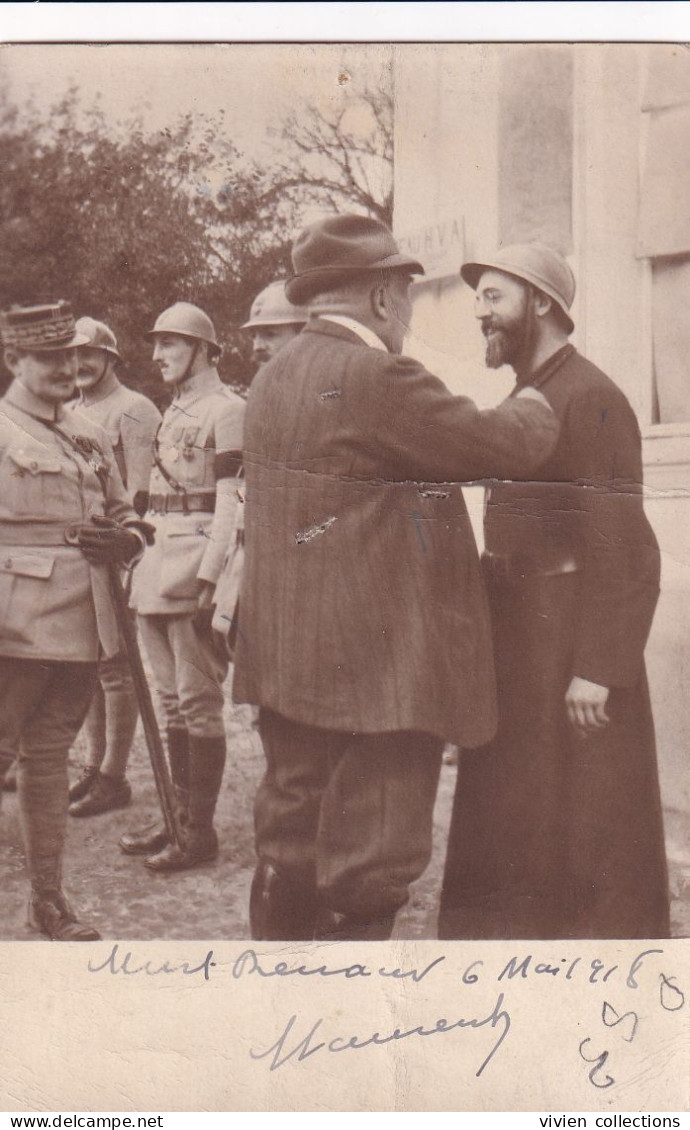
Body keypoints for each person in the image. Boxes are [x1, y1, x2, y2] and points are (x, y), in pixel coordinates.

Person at [232, 213, 560, 942]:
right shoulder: (375, 374)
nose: (409, 313)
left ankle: (276, 1011)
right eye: (408, 295)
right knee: (370, 859)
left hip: (291, 654)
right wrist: (540, 400)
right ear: (383, 298)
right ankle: (344, 1036)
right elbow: (495, 443)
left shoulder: (274, 375)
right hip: (378, 670)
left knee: (291, 834)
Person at [438, 242, 670, 940]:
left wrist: (599, 667)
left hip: (569, 645)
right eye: (479, 299)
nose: (481, 314)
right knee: (520, 824)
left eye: (494, 297)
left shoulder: (590, 395)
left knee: (587, 836)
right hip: (519, 638)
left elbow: (625, 545)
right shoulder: (527, 397)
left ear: (541, 303)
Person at [0, 300, 149, 940]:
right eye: (51, 357)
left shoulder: (86, 430)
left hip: (84, 621)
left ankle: (49, 902)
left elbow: (125, 510)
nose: (68, 366)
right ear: (14, 359)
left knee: (49, 758)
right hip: (14, 624)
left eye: (74, 354)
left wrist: (130, 541)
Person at [120, 302, 245, 872]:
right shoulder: (172, 413)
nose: (157, 354)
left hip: (194, 568)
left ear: (204, 350)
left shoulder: (228, 411)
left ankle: (200, 834)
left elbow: (231, 506)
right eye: (157, 343)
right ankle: (177, 816)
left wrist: (211, 580)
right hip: (154, 569)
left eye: (170, 343)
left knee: (198, 705)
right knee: (169, 702)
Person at [67, 317, 162, 817]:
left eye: (90, 355)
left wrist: (129, 544)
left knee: (116, 664)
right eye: (73, 355)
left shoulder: (134, 409)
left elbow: (141, 493)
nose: (80, 364)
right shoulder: (70, 412)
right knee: (89, 662)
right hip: (80, 552)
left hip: (120, 548)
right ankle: (92, 764)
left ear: (111, 358)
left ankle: (114, 774)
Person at [212, 280, 307, 650]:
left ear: (304, 334)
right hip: (253, 563)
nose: (257, 347)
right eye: (255, 337)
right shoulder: (263, 398)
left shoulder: (319, 397)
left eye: (269, 334)